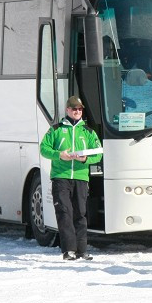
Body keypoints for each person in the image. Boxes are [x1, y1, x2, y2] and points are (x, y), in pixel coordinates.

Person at [39, 95, 103, 260]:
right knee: (64, 212)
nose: (77, 111)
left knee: (80, 213)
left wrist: (85, 159)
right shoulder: (56, 129)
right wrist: (60, 155)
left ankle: (82, 250)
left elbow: (98, 152)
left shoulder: (87, 131)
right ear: (67, 110)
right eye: (74, 109)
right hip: (61, 177)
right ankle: (68, 250)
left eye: (80, 109)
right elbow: (44, 149)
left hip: (81, 177)